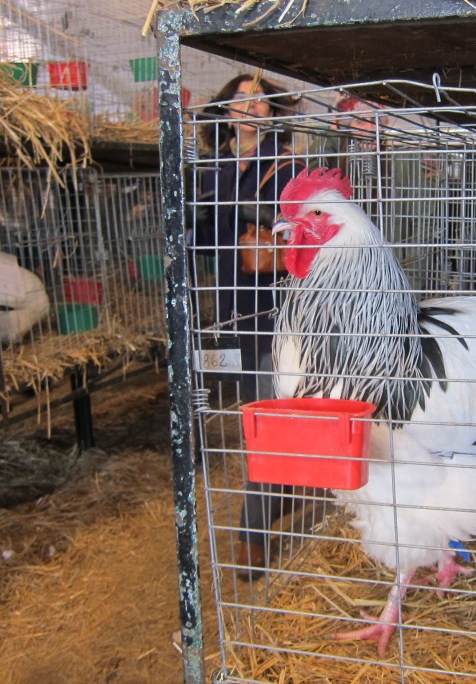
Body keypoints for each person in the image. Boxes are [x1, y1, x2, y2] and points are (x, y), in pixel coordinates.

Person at [194, 73, 304, 580]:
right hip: (228, 319)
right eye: (241, 100)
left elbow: (304, 244)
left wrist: (275, 251)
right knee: (254, 417)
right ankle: (283, 493)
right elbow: (197, 241)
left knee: (260, 423)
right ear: (225, 112)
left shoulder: (287, 170)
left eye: (261, 102)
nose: (251, 107)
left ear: (274, 115)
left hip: (274, 318)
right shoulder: (211, 172)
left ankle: (252, 535)